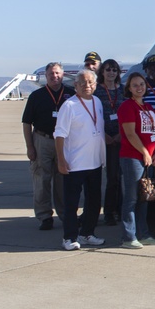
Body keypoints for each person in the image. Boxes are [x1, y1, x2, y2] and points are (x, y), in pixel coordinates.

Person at [54, 69, 106, 250]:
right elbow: (59, 135)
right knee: (72, 203)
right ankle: (69, 237)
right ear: (75, 85)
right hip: (75, 163)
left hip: (95, 162)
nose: (87, 86)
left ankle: (87, 233)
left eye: (91, 83)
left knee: (94, 202)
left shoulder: (98, 102)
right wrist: (61, 160)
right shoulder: (69, 106)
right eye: (82, 83)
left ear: (96, 85)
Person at [22, 62, 74, 230]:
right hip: (42, 139)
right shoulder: (37, 96)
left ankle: (65, 214)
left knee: (63, 180)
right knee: (41, 180)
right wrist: (30, 147)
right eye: (51, 73)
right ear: (46, 75)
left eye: (57, 73)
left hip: (64, 142)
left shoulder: (70, 94)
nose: (54, 76)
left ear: (63, 74)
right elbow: (26, 123)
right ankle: (44, 216)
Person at [117, 72, 155, 248]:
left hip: (149, 158)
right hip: (132, 158)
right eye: (135, 85)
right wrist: (144, 152)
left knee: (144, 196)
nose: (139, 88)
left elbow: (154, 132)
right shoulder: (127, 107)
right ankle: (129, 236)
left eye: (142, 84)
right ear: (129, 88)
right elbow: (130, 133)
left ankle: (143, 234)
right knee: (131, 198)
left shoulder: (148, 107)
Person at [95, 58, 123, 226]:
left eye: (114, 70)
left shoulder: (123, 91)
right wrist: (104, 134)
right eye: (108, 70)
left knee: (119, 177)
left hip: (120, 137)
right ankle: (108, 212)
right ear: (102, 73)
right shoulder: (97, 91)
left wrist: (121, 133)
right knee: (110, 177)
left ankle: (118, 209)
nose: (111, 73)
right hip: (103, 137)